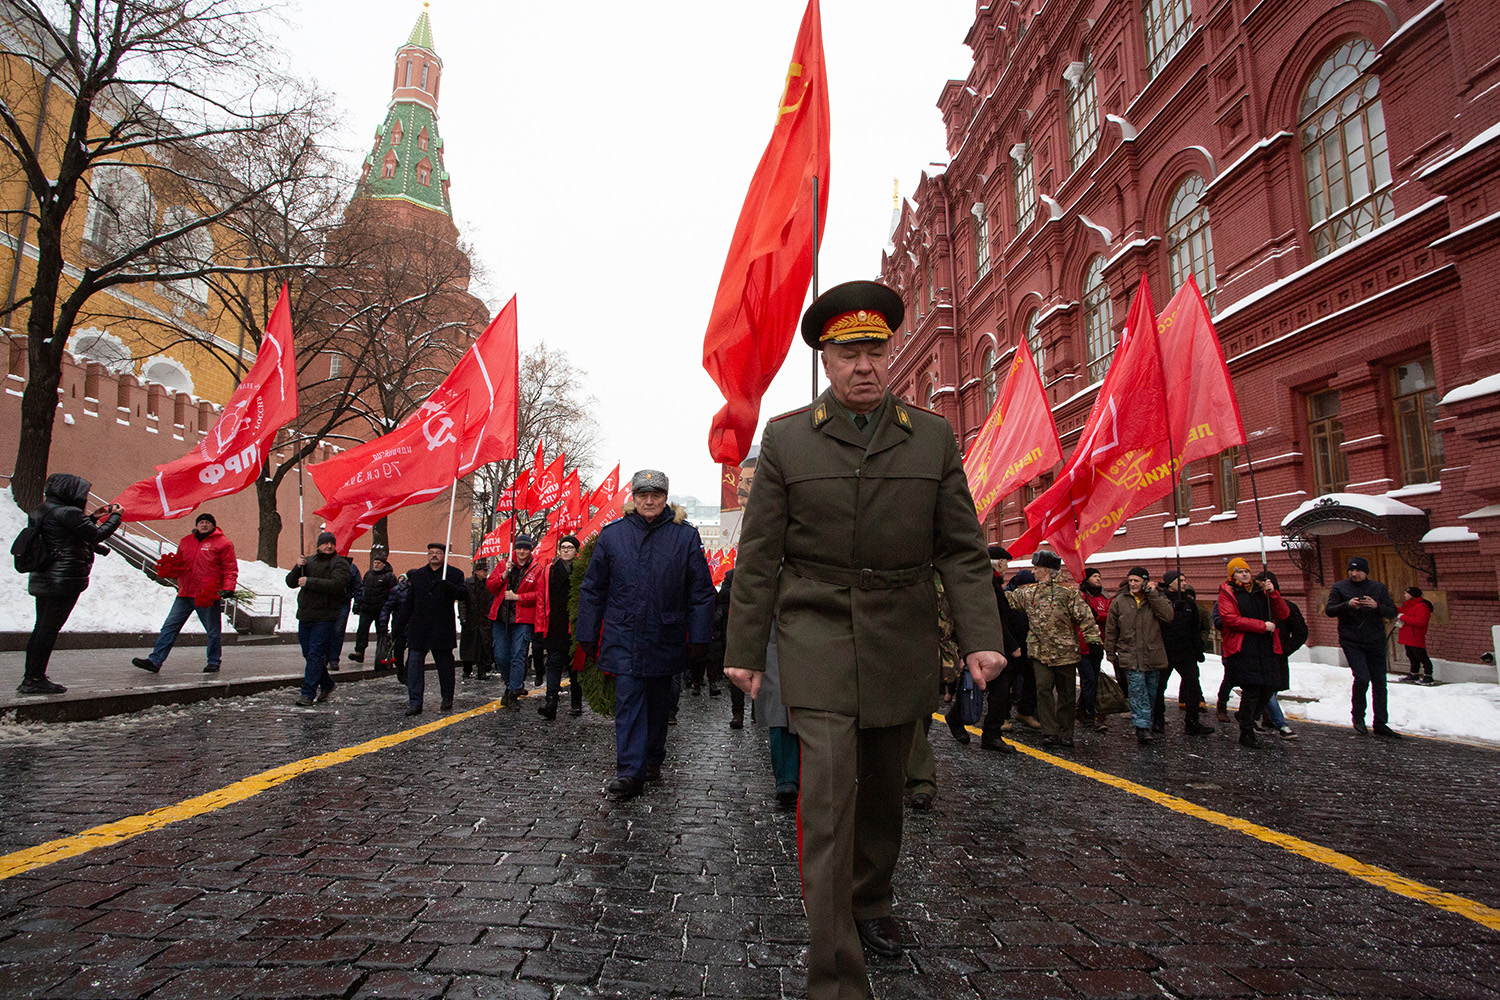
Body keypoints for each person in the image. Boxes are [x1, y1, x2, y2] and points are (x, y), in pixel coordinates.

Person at [723, 280, 1005, 1000]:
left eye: (875, 351)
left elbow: (963, 549)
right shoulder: (786, 439)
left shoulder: (933, 437)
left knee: (883, 796)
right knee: (825, 802)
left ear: (891, 355)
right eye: (849, 353)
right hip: (814, 630)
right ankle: (836, 978)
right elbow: (758, 557)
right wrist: (744, 651)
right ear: (826, 359)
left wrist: (980, 635)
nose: (864, 366)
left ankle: (872, 901)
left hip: (899, 634)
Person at [577, 470, 714, 799]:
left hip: (664, 634)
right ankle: (630, 771)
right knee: (629, 701)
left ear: (665, 497)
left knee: (658, 702)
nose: (648, 500)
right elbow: (593, 589)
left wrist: (699, 638)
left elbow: (701, 592)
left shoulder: (685, 537)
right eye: (642, 495)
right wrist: (587, 632)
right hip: (624, 634)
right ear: (633, 498)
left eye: (655, 495)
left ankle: (651, 758)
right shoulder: (612, 536)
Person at [19, 474, 122, 694]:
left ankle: (32, 675)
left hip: (44, 575)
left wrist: (93, 517)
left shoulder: (42, 510)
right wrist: (116, 518)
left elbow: (70, 533)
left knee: (41, 627)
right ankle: (34, 679)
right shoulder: (69, 513)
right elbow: (96, 535)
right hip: (64, 579)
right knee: (49, 629)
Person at [1006, 550, 1098, 749]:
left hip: (1065, 652)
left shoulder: (1069, 593)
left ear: (1046, 570)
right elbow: (1007, 600)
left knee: (1066, 693)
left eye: (1036, 568)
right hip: (1039, 652)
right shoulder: (1031, 593)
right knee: (1043, 690)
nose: (1033, 572)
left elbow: (1085, 616)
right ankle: (1050, 732)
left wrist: (1093, 639)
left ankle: (1066, 732)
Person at [132, 512, 237, 676]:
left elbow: (230, 568)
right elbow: (179, 562)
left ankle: (213, 662)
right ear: (196, 525)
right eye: (201, 522)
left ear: (213, 525)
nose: (203, 525)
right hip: (184, 593)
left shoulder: (223, 544)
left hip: (206, 594)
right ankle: (155, 661)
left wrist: (229, 587)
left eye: (207, 522)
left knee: (213, 631)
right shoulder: (185, 542)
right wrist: (169, 569)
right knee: (169, 627)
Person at [1217, 557, 1290, 747]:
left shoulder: (1261, 591)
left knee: (1268, 689)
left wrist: (1273, 594)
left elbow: (1283, 614)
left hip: (1266, 647)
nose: (1244, 574)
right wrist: (1261, 626)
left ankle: (1245, 716)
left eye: (1246, 571)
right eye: (1239, 571)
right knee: (1251, 690)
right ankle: (1247, 732)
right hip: (1244, 647)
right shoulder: (1229, 593)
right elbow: (1230, 619)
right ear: (1232, 575)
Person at [1325, 556, 1401, 737]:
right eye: (1351, 570)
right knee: (1362, 677)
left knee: (1380, 682)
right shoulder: (1340, 587)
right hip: (1351, 640)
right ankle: (1358, 716)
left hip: (1375, 640)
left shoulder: (1378, 588)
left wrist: (1376, 606)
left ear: (1366, 572)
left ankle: (1381, 723)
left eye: (1358, 570)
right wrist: (1347, 605)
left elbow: (1392, 612)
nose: (1354, 574)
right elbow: (1329, 610)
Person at [1104, 566, 1173, 745]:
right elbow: (1111, 629)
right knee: (1137, 692)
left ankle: (1147, 723)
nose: (1132, 584)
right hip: (1129, 654)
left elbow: (1167, 616)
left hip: (1152, 655)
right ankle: (1142, 728)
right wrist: (1110, 652)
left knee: (1151, 692)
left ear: (1145, 582)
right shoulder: (1120, 601)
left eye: (1136, 581)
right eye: (1130, 581)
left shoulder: (1156, 598)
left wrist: (1152, 595)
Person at [396, 543, 466, 715]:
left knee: (445, 666)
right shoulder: (418, 575)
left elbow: (464, 594)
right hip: (419, 628)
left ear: (444, 555)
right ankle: (415, 701)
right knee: (414, 666)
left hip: (441, 628)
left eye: (438, 553)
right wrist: (398, 625)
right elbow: (409, 602)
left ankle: (447, 697)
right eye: (431, 553)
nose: (434, 556)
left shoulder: (454, 574)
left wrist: (449, 586)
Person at [286, 531, 350, 707]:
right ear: (318, 545)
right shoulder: (309, 561)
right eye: (325, 543)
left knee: (315, 654)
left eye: (331, 543)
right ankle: (328, 684)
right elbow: (291, 582)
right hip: (306, 615)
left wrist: (310, 581)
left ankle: (308, 693)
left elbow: (337, 585)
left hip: (325, 616)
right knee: (308, 653)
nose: (329, 546)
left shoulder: (340, 563)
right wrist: (296, 567)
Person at [487, 533, 545, 709]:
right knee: (501, 656)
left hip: (522, 620)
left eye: (526, 548)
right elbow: (491, 586)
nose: (522, 551)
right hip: (501, 618)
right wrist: (503, 575)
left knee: (518, 656)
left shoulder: (537, 569)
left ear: (530, 550)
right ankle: (510, 684)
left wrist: (519, 597)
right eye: (519, 547)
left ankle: (513, 693)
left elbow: (539, 594)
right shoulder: (504, 564)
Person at [1155, 570, 1213, 736]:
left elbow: (1194, 628)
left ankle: (1192, 722)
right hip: (1165, 651)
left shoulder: (1189, 602)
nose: (1184, 582)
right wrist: (1173, 608)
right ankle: (1158, 720)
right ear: (1169, 583)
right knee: (1160, 687)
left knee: (1193, 685)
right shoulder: (1161, 600)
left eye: (1184, 579)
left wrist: (1198, 650)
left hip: (1186, 651)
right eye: (1179, 580)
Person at [1257, 570, 1307, 740]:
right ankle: (1277, 722)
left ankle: (1260, 718)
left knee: (1269, 689)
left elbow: (1301, 632)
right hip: (1258, 654)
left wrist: (1286, 649)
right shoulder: (1255, 606)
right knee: (1265, 689)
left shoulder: (1288, 607)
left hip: (1277, 655)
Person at [540, 534, 581, 719]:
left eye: (569, 547)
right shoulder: (549, 570)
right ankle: (551, 703)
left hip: (574, 626)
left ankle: (576, 702)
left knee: (575, 667)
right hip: (555, 625)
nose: (565, 550)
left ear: (576, 551)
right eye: (563, 547)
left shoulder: (581, 571)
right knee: (554, 664)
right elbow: (542, 599)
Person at [349, 547, 396, 665]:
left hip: (381, 609)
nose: (376, 564)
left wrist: (390, 607)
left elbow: (393, 593)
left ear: (384, 564)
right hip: (367, 608)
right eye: (375, 562)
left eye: (378, 563)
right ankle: (359, 652)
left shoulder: (389, 576)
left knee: (382, 632)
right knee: (362, 630)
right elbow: (362, 589)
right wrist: (358, 604)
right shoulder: (368, 574)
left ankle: (382, 654)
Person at [1077, 566, 1110, 727]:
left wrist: (1097, 615)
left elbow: (1110, 616)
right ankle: (1090, 712)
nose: (1098, 579)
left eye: (1099, 576)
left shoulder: (1104, 597)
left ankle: (1081, 707)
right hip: (1083, 645)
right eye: (1094, 576)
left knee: (1093, 679)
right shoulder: (1081, 596)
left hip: (1098, 644)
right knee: (1088, 679)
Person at [459, 558, 495, 680]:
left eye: (486, 571)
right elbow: (463, 601)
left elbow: (491, 601)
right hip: (471, 620)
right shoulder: (468, 583)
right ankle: (467, 669)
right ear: (477, 572)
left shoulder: (488, 584)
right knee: (469, 647)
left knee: (483, 648)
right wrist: (463, 618)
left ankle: (482, 671)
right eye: (483, 571)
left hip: (484, 621)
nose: (485, 573)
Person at [325, 555, 362, 673]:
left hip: (343, 603)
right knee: (325, 630)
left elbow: (358, 586)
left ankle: (333, 659)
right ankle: (323, 658)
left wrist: (358, 602)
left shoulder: (351, 567)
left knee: (338, 631)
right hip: (327, 603)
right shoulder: (327, 564)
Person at [1397, 586, 1435, 684]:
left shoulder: (1421, 606)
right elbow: (1402, 611)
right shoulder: (1409, 605)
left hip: (1415, 635)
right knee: (1411, 655)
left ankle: (1428, 675)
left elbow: (1421, 622)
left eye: (1406, 593)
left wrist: (1403, 617)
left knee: (1421, 656)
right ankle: (1414, 673)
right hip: (1408, 635)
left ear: (1412, 595)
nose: (1405, 595)